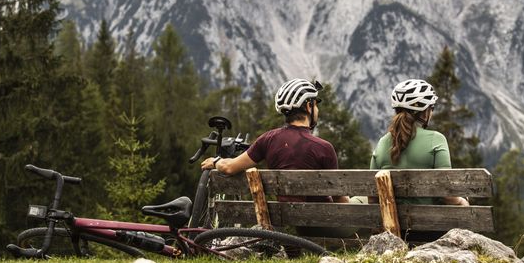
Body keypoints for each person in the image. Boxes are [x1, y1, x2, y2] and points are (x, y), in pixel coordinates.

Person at [201, 78, 349, 204]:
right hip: (325, 223)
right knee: (361, 200)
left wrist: (215, 162)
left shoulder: (267, 139)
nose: (317, 110)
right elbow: (340, 201)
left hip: (291, 223)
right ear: (309, 106)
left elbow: (229, 167)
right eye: (316, 104)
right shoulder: (324, 147)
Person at [371, 79, 469, 207]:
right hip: (431, 224)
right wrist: (463, 201)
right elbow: (447, 194)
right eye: (431, 107)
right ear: (425, 112)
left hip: (391, 224)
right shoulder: (436, 139)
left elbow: (372, 198)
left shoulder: (381, 143)